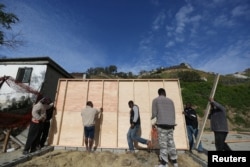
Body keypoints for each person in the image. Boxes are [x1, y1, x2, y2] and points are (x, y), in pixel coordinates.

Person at [151, 88, 178, 167]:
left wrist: (151, 119)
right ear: (164, 93)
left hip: (162, 125)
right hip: (171, 125)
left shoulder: (155, 100)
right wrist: (172, 124)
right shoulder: (170, 101)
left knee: (163, 144)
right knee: (171, 143)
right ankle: (175, 161)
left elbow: (154, 113)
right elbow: (173, 113)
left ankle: (164, 163)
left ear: (159, 93)